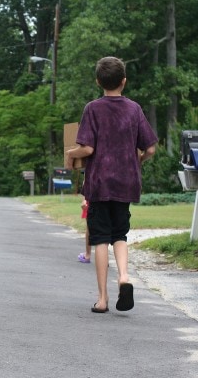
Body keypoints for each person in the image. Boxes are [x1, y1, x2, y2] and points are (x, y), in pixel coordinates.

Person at [65, 56, 157, 314]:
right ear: (124, 81)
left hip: (99, 182)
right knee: (120, 235)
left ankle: (103, 299)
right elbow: (150, 147)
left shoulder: (92, 109)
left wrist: (71, 154)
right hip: (126, 182)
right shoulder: (134, 109)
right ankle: (125, 277)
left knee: (101, 239)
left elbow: (88, 148)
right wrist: (138, 160)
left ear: (98, 81)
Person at [77, 197, 91, 263]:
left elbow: (86, 186)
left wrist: (84, 199)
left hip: (92, 199)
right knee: (106, 228)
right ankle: (105, 259)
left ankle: (87, 255)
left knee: (89, 228)